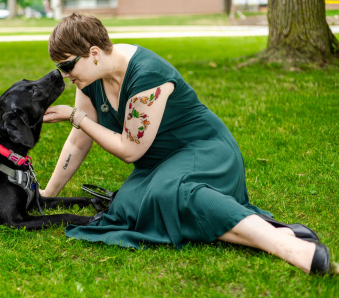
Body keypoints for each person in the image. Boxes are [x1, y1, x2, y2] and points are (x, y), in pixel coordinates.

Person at [41, 12, 336, 275]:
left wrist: (76, 117)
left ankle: (286, 245)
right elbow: (79, 142)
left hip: (204, 149)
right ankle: (272, 231)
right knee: (126, 207)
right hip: (160, 166)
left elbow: (129, 151)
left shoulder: (147, 77)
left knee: (171, 195)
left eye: (67, 66)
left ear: (93, 52)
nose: (65, 76)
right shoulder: (90, 79)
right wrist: (48, 195)